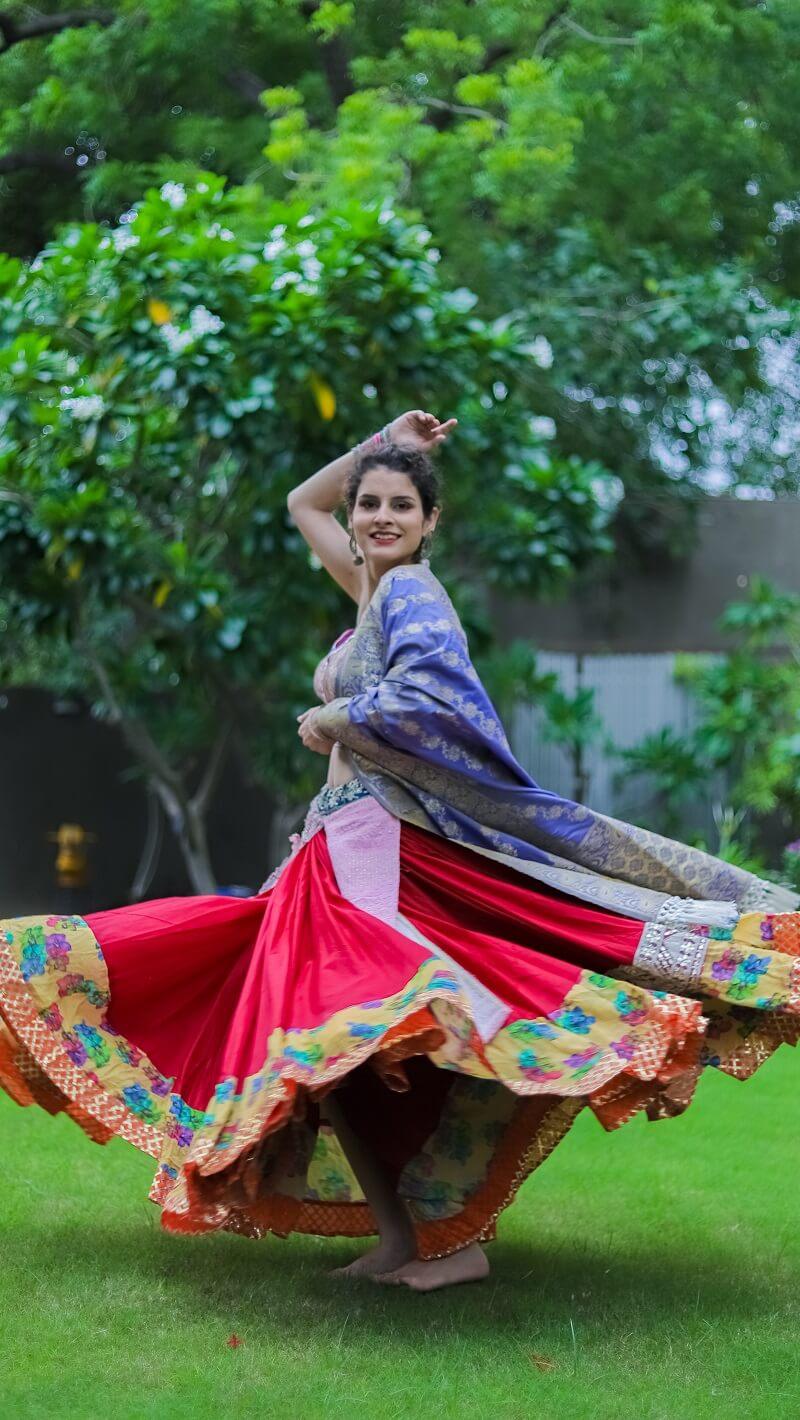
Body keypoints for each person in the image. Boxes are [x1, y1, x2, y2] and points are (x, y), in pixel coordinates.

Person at [1, 410, 798, 1294]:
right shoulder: (371, 593)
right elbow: (302, 502)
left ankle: (439, 1243)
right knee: (322, 1049)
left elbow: (425, 695)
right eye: (369, 505)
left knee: (349, 1021)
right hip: (336, 841)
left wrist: (326, 717)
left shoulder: (414, 593)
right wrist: (385, 442)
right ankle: (412, 1240)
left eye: (401, 506)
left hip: (376, 847)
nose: (380, 517)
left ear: (429, 525)